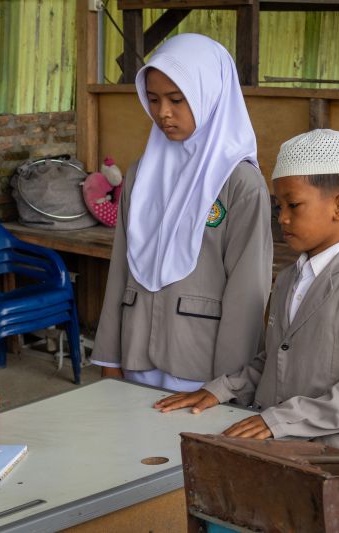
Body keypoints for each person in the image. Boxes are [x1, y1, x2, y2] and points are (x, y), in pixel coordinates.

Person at [155, 129, 339, 454]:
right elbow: (275, 358)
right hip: (275, 445)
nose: (283, 218)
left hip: (333, 457)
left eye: (294, 205)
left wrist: (279, 421)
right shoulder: (289, 278)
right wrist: (221, 390)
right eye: (279, 206)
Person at [91, 34, 273, 392]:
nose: (162, 113)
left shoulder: (240, 183)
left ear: (210, 96)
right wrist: (110, 359)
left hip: (200, 367)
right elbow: (120, 268)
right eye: (154, 99)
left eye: (177, 99)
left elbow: (248, 292)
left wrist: (228, 385)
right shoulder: (141, 173)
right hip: (135, 352)